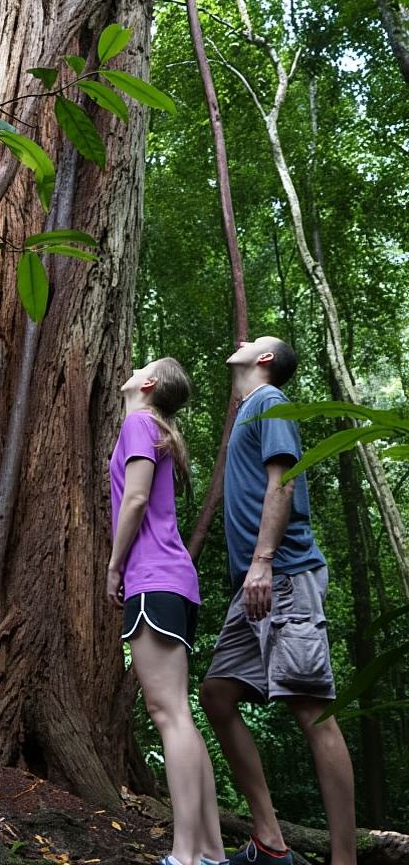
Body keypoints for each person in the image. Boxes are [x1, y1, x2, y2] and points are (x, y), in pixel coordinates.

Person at [200, 336, 356, 865]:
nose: (242, 341)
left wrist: (264, 560)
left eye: (254, 340)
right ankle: (269, 842)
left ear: (264, 359)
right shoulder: (250, 409)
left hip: (281, 574)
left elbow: (283, 482)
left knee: (312, 710)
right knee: (217, 695)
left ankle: (344, 859)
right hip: (257, 582)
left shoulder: (270, 402)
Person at [108, 356, 227, 865]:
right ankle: (210, 852)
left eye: (142, 367)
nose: (132, 368)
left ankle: (184, 855)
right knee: (179, 714)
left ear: (149, 385)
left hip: (152, 579)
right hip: (174, 581)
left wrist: (114, 566)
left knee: (169, 712)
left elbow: (134, 500)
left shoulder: (139, 423)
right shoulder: (157, 430)